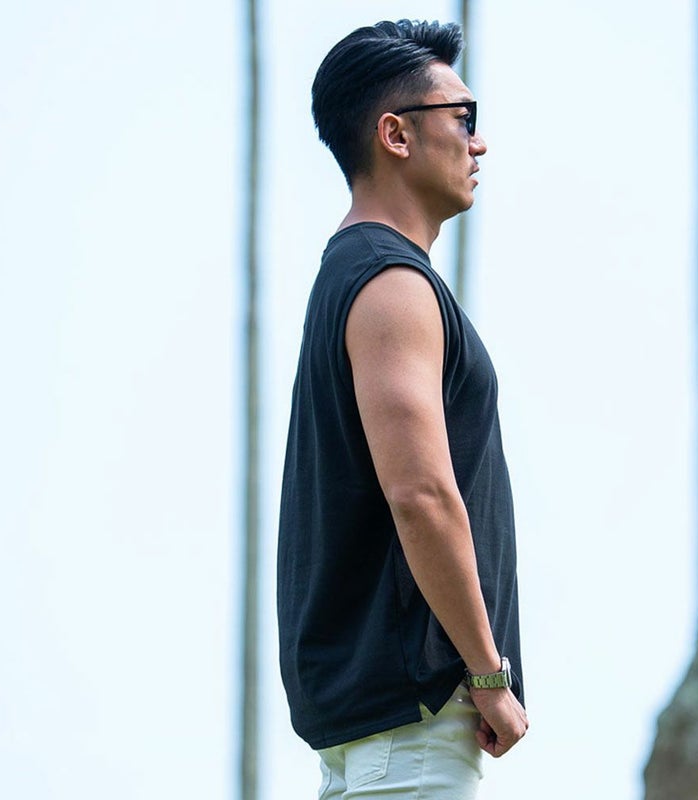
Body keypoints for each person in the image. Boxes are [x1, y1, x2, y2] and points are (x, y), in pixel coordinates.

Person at [277, 19, 528, 799]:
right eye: (462, 116)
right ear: (395, 134)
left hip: (385, 742)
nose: (478, 142)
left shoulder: (358, 274)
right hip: (411, 741)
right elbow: (421, 493)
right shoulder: (391, 284)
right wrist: (487, 673)